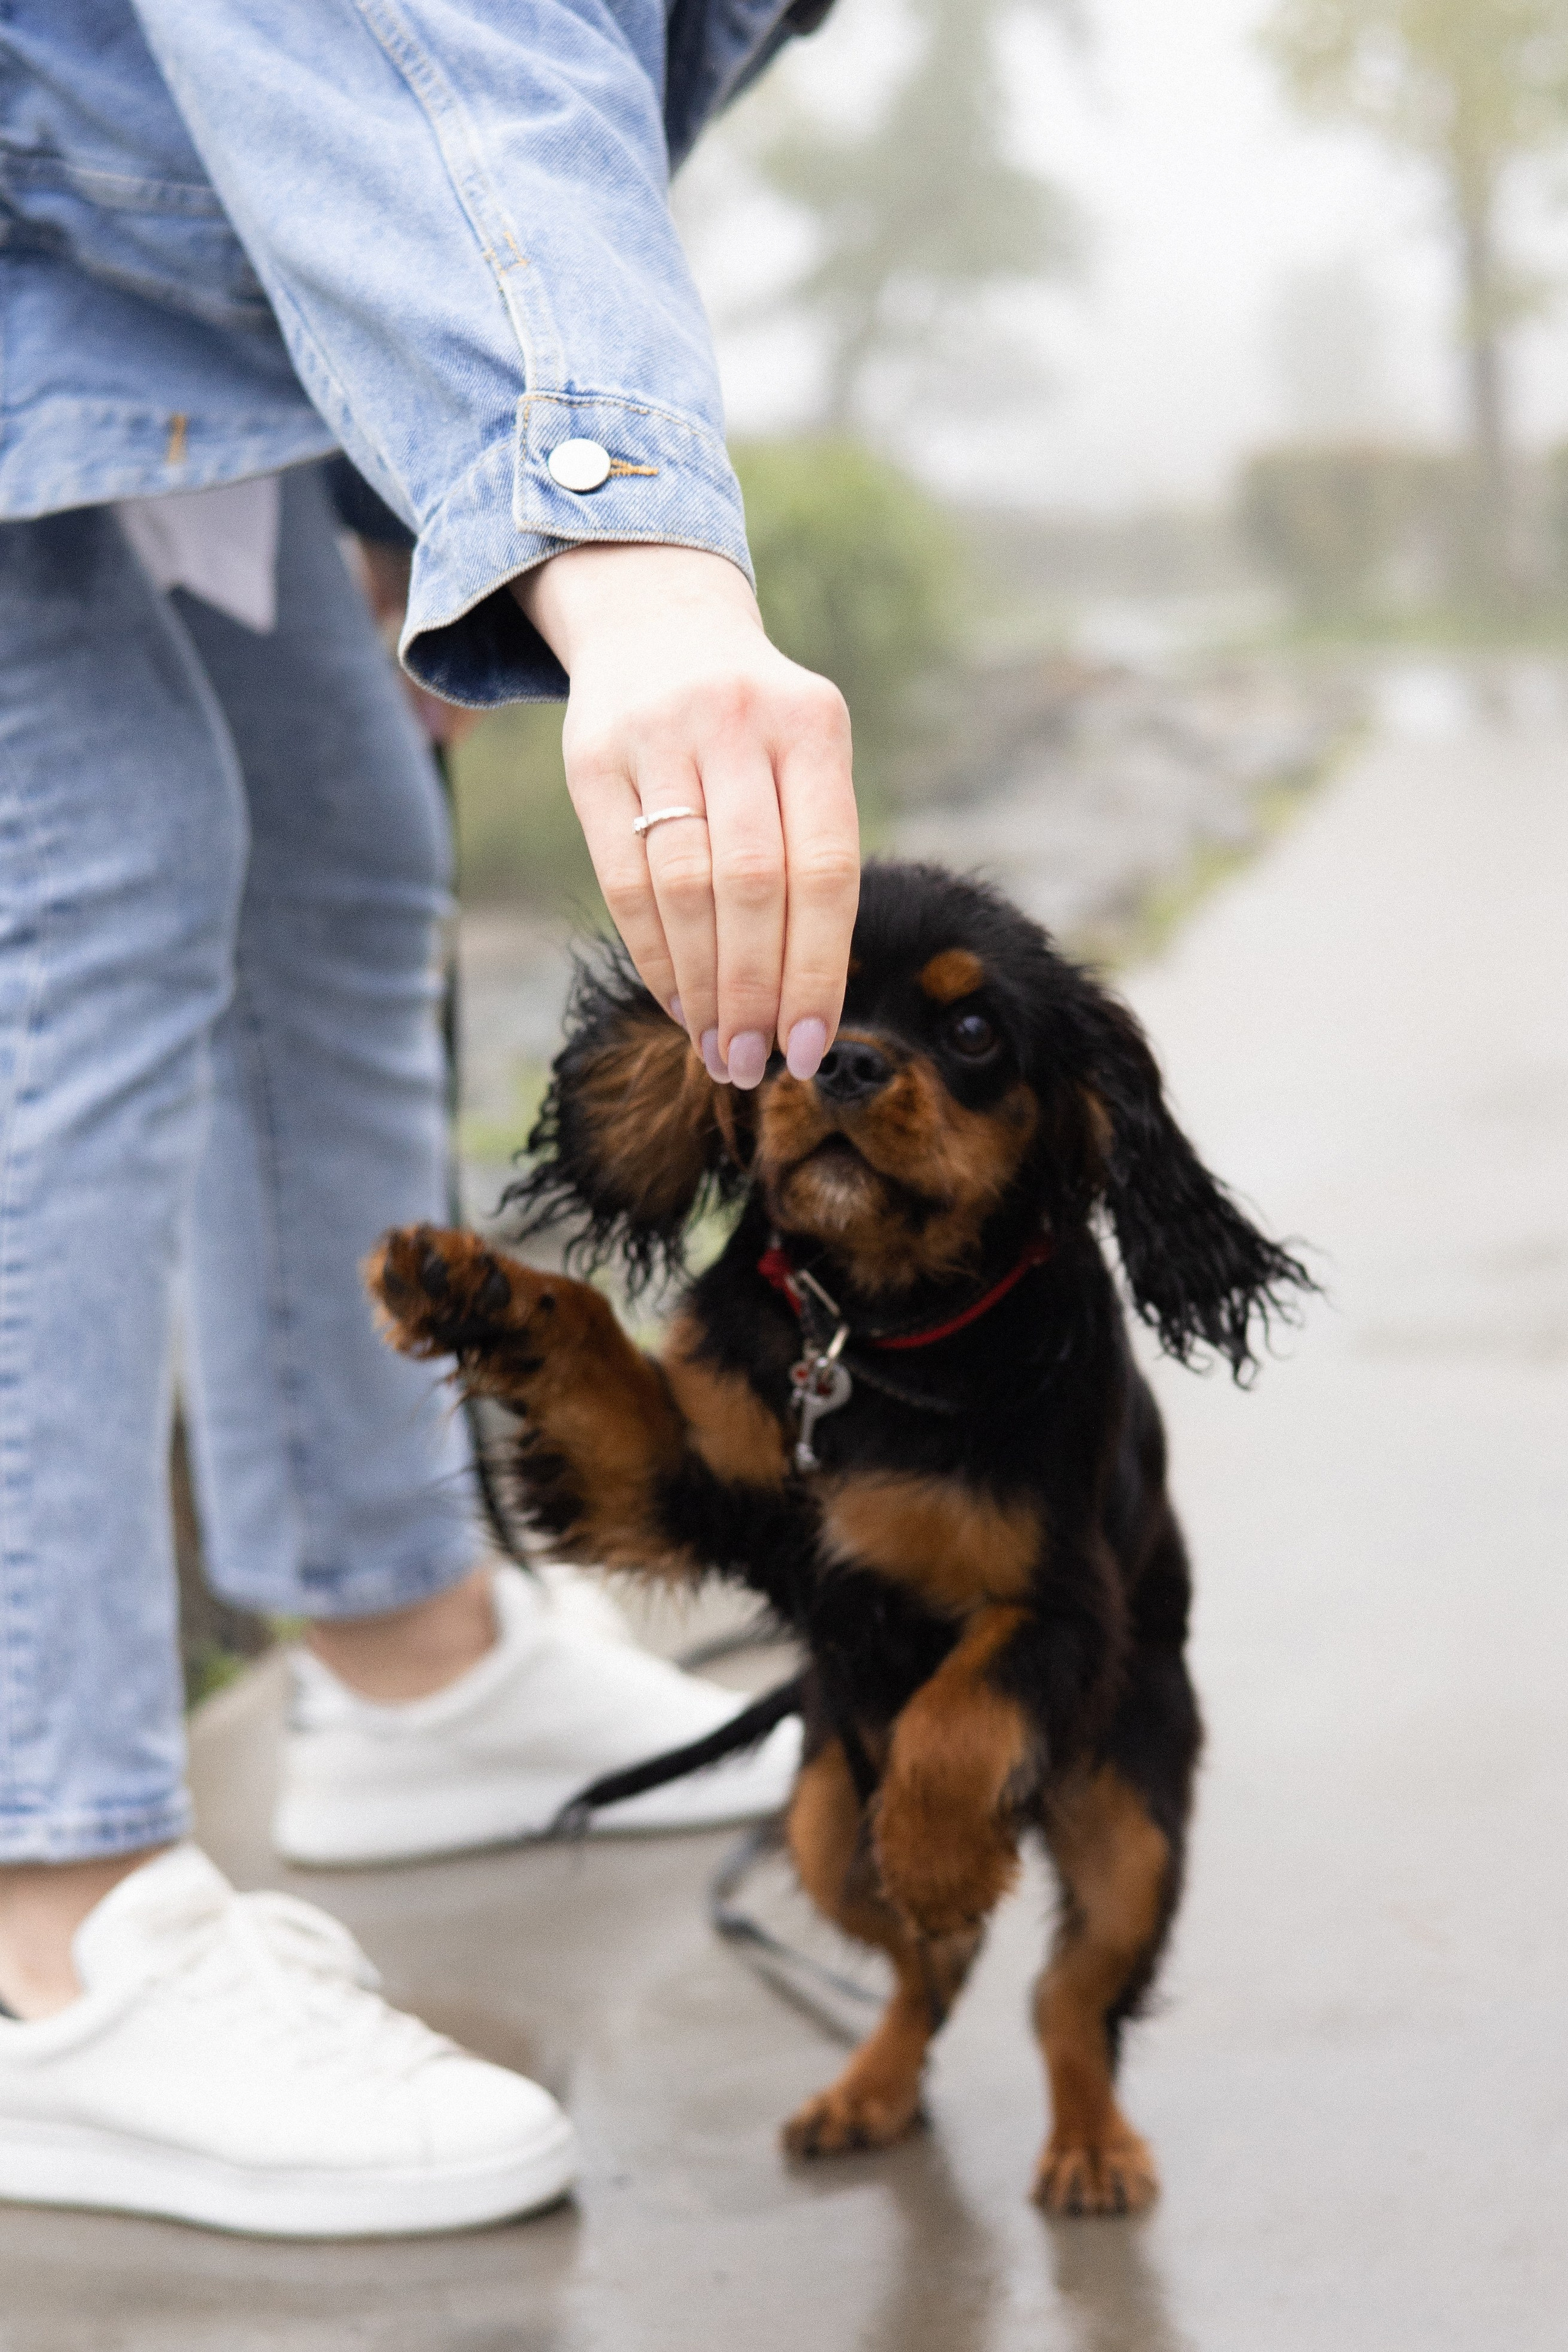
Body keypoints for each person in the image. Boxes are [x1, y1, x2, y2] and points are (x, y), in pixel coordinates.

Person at [0, 0, 859, 2237]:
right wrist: (625, 551)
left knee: (337, 833)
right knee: (72, 873)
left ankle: (408, 1659)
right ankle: (42, 1932)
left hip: (87, 251)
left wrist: (418, 514)